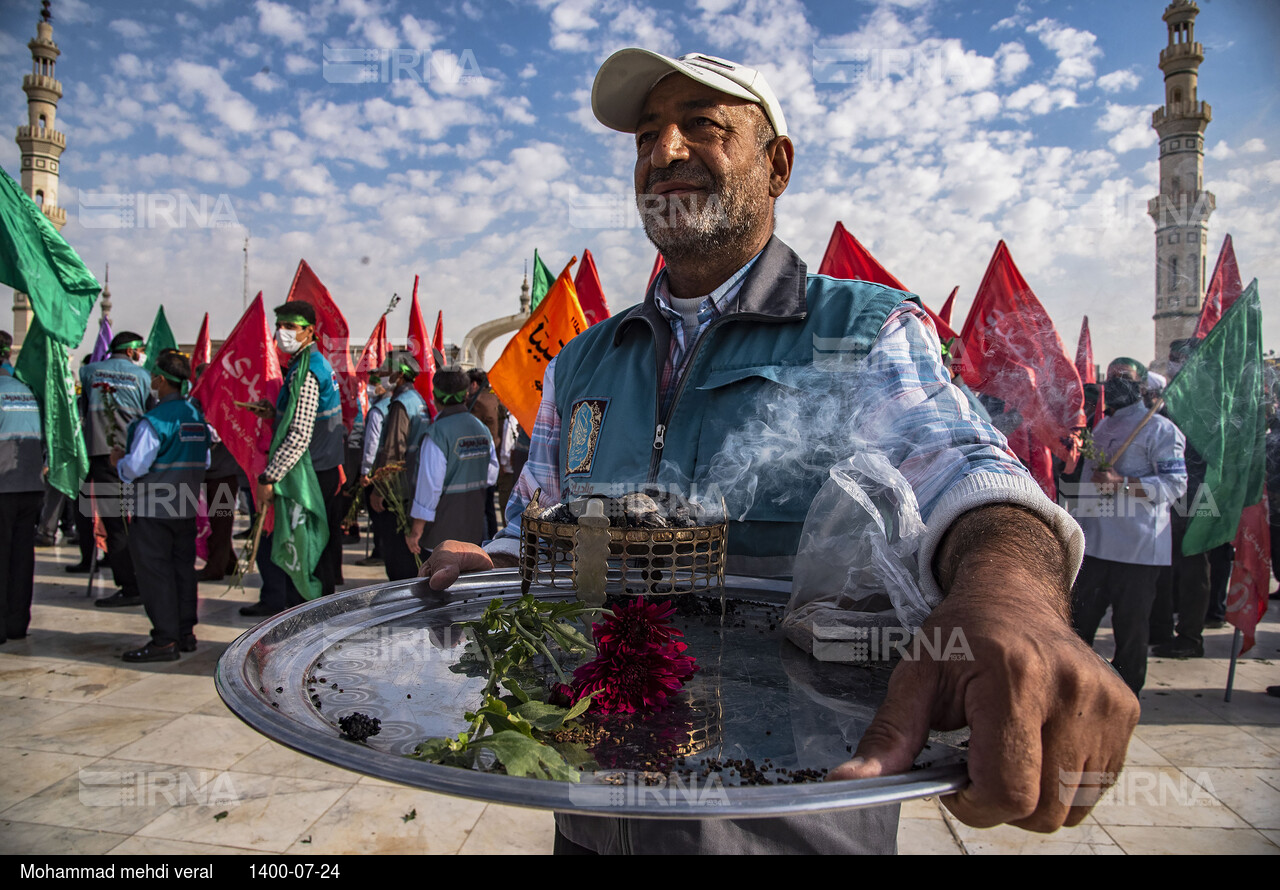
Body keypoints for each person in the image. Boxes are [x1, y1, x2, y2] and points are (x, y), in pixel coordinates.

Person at [418, 49, 1138, 853]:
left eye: (703, 126)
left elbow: (966, 468)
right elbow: (540, 525)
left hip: (788, 823)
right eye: (647, 135)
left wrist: (1010, 597)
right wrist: (502, 560)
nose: (666, 152)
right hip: (592, 813)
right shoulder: (583, 359)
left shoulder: (859, 335)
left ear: (778, 164)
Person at [1069, 358, 1187, 693]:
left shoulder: (1161, 430)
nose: (1115, 383)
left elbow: (1175, 485)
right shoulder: (1103, 428)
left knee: (1130, 631)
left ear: (1140, 385)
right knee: (1078, 626)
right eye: (1110, 377)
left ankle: (1127, 697)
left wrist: (1123, 483)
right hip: (1095, 545)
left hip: (1137, 550)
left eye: (1124, 378)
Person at [240, 301, 345, 616]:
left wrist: (268, 477)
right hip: (316, 469)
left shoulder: (309, 370)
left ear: (309, 330)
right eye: (280, 325)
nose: (282, 332)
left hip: (308, 476)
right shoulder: (307, 364)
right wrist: (274, 413)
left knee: (307, 554)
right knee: (314, 553)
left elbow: (299, 433)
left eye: (290, 326)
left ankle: (310, 627)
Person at [110, 351, 210, 661]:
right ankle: (184, 633)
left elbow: (136, 467)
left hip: (153, 508)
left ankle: (164, 640)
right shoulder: (197, 419)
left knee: (156, 574)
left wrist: (118, 462)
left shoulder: (153, 421)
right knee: (183, 570)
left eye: (154, 376)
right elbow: (204, 460)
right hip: (184, 505)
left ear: (162, 380)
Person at [81, 331, 153, 608]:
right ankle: (139, 580)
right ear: (133, 351)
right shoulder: (143, 376)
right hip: (138, 459)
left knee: (116, 524)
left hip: (104, 458)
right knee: (136, 522)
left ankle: (130, 586)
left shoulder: (89, 372)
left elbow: (84, 410)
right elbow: (149, 415)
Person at [405, 368, 497, 558]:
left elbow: (429, 488)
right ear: (466, 394)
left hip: (441, 536)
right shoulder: (482, 430)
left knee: (440, 584)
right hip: (474, 530)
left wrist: (416, 530)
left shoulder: (437, 434)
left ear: (435, 396)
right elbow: (491, 476)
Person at [367, 354, 430, 581]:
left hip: (399, 491)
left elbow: (393, 451)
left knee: (398, 558)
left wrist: (379, 490)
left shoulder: (401, 404)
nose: (382, 376)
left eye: (386, 372)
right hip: (413, 485)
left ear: (400, 375)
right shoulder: (418, 400)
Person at [0, 364, 45, 643]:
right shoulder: (30, 391)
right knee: (22, 557)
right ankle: (17, 623)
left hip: (3, 486)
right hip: (31, 485)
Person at [193, 363, 241, 582]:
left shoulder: (226, 403)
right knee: (214, 522)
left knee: (221, 522)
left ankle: (216, 567)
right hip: (205, 474)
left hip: (223, 474)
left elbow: (219, 434)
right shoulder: (197, 404)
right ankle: (229, 562)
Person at [355, 371, 393, 567]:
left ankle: (380, 552)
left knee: (377, 516)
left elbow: (372, 443)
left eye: (375, 382)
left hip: (378, 470)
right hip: (392, 471)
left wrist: (365, 471)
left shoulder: (378, 410)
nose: (371, 386)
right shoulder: (395, 404)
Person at [465, 368, 503, 538]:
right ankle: (492, 538)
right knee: (488, 506)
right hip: (492, 453)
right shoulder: (493, 397)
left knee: (481, 508)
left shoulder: (477, 402)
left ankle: (485, 542)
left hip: (479, 458)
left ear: (474, 384)